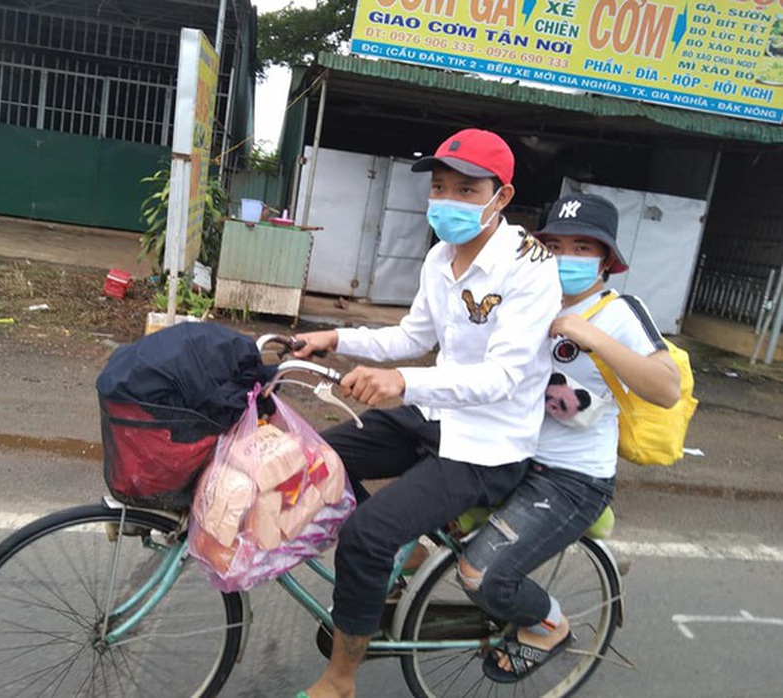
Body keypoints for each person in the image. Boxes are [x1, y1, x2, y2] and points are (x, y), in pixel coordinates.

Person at [290, 128, 562, 698]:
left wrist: (402, 383)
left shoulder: (530, 267)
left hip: (489, 444)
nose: (448, 201)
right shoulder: (441, 256)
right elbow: (414, 334)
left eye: (467, 190)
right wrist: (335, 336)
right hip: (436, 417)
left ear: (501, 196)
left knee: (364, 536)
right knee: (314, 457)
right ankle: (408, 551)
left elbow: (503, 377)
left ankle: (340, 681)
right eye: (440, 187)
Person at [457, 192, 681, 683]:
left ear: (606, 260)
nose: (566, 257)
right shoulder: (531, 299)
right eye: (554, 244)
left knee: (481, 576)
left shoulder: (621, 312)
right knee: (418, 508)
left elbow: (666, 388)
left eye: (583, 247)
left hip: (570, 480)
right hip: (509, 453)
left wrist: (593, 336)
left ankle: (549, 625)